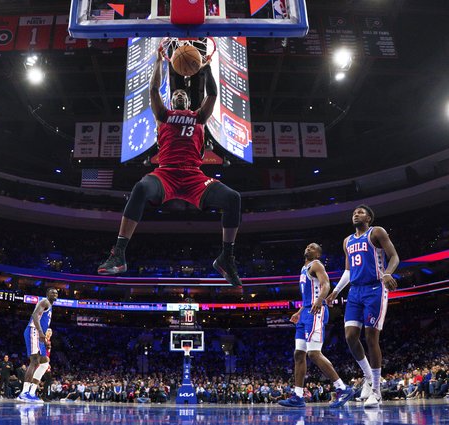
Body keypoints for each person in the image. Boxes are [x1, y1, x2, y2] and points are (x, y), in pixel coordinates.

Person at [97, 48, 243, 293]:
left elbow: (213, 94)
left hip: (194, 177)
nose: (178, 97)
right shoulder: (163, 115)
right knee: (142, 187)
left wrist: (205, 68)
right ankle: (119, 254)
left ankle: (226, 258)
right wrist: (158, 62)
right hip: (166, 173)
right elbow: (153, 90)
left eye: (182, 96)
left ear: (188, 102)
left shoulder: (199, 117)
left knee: (233, 198)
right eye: (175, 95)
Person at [326, 205, 399, 408]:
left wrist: (388, 273)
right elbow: (349, 271)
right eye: (353, 213)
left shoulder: (376, 232)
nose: (355, 214)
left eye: (360, 212)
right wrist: (336, 290)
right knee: (350, 336)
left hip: (375, 288)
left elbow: (394, 256)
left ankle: (376, 390)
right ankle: (367, 376)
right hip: (355, 291)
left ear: (369, 217)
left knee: (371, 337)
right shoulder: (347, 241)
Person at [279, 243, 354, 408]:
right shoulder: (303, 268)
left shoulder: (316, 265)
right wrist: (299, 312)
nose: (308, 248)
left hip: (316, 312)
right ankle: (298, 396)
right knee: (299, 354)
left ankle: (343, 388)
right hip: (306, 311)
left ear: (318, 254)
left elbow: (326, 284)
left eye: (312, 247)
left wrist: (320, 301)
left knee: (313, 353)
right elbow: (309, 294)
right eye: (307, 246)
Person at [18, 288, 58, 403]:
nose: (54, 294)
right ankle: (24, 393)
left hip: (39, 334)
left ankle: (31, 392)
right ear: (47, 294)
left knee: (45, 363)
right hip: (34, 330)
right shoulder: (44, 302)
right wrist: (41, 332)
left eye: (56, 293)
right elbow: (35, 315)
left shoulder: (50, 305)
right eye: (52, 292)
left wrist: (44, 336)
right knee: (34, 361)